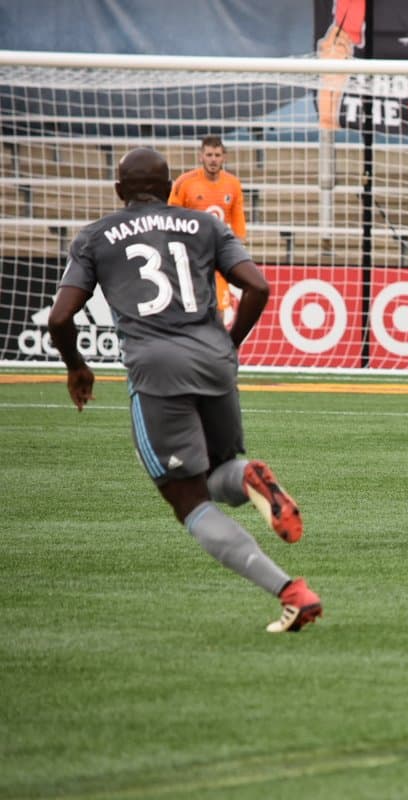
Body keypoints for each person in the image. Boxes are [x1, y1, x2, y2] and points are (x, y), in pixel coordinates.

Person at [47, 147, 322, 633]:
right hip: (213, 360)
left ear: (118, 191)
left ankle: (290, 592)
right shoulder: (205, 225)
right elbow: (256, 286)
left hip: (156, 368)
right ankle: (248, 478)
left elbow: (61, 316)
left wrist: (76, 367)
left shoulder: (95, 237)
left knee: (186, 500)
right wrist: (228, 344)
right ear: (172, 186)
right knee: (219, 475)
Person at [168, 135, 247, 328]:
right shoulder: (185, 183)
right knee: (190, 306)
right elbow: (170, 216)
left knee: (219, 309)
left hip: (218, 257)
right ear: (201, 156)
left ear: (224, 157)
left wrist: (238, 248)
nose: (213, 159)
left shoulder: (233, 184)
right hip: (191, 256)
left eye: (217, 155)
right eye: (209, 154)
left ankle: (215, 351)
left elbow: (238, 219)